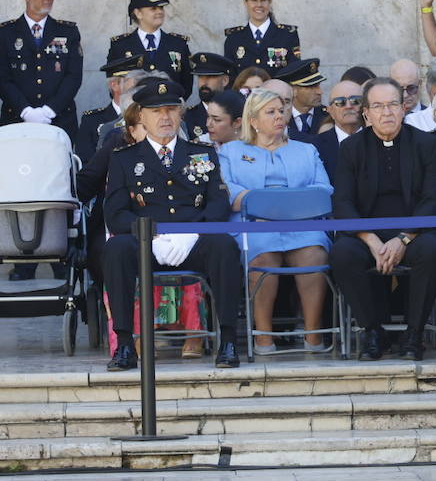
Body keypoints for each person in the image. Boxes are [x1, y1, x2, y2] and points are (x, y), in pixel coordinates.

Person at [103, 80, 242, 369]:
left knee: (224, 246)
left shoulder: (201, 153)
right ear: (141, 116)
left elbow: (218, 202)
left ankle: (228, 340)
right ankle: (126, 344)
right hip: (146, 243)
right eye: (156, 111)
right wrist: (148, 234)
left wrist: (194, 231)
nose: (165, 117)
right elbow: (115, 213)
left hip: (191, 242)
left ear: (181, 114)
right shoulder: (124, 159)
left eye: (171, 110)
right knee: (116, 249)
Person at [328, 77, 436, 360]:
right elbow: (342, 202)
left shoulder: (426, 145)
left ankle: (414, 334)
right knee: (343, 254)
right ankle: (372, 332)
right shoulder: (351, 149)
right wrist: (369, 239)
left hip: (415, 231)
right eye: (378, 106)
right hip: (365, 233)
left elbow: (433, 199)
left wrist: (403, 238)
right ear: (366, 113)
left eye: (393, 104)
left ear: (404, 108)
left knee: (432, 250)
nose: (387, 112)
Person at [219, 89, 334, 356]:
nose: (279, 116)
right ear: (253, 120)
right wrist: (265, 204)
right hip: (254, 224)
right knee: (263, 257)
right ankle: (263, 336)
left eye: (281, 110)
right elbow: (228, 190)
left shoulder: (306, 150)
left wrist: (272, 202)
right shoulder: (231, 152)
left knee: (314, 255)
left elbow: (323, 190)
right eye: (270, 112)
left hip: (302, 224)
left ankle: (313, 334)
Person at [0, 0, 83, 138]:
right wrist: (25, 111)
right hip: (16, 120)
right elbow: (3, 78)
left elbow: (73, 77)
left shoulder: (68, 32)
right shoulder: (6, 33)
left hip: (59, 120)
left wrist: (49, 111)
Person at [106, 0, 192, 94]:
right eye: (153, 8)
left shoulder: (178, 44)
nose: (159, 12)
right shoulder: (120, 46)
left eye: (161, 8)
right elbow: (114, 86)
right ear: (138, 13)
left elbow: (187, 85)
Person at [76, 54, 143, 164]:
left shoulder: (146, 115)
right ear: (115, 85)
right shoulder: (91, 121)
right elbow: (87, 162)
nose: (140, 86)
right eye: (135, 81)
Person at [223, 0, 300, 73]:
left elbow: (295, 73)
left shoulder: (288, 36)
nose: (259, 5)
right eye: (254, 0)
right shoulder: (233, 38)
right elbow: (229, 78)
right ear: (245, 2)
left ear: (270, 1)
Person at [182, 52, 236, 144]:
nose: (204, 83)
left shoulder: (236, 114)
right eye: (200, 77)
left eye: (211, 77)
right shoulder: (187, 117)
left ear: (225, 80)